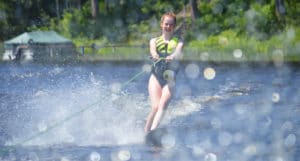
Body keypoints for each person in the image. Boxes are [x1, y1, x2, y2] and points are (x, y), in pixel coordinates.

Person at [144, 12, 184, 132]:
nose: (168, 26)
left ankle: (153, 130)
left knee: (163, 104)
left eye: (171, 24)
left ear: (174, 26)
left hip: (170, 78)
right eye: (166, 24)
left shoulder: (179, 41)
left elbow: (177, 52)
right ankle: (146, 131)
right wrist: (155, 55)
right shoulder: (154, 41)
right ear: (162, 24)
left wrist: (172, 56)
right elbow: (153, 51)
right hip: (156, 77)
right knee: (155, 107)